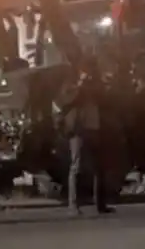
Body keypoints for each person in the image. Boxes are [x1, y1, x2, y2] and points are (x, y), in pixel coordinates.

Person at [60, 59, 112, 216]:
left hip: (94, 128)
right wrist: (81, 87)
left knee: (99, 167)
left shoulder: (95, 86)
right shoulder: (70, 87)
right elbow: (66, 101)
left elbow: (104, 99)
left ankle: (100, 204)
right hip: (78, 130)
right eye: (86, 71)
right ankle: (73, 205)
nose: (89, 74)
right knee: (76, 167)